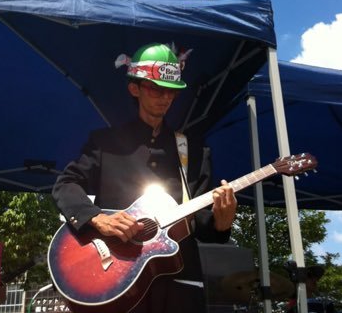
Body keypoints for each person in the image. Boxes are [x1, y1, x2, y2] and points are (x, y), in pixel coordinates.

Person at [52, 43, 237, 313]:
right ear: (134, 89)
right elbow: (65, 184)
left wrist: (222, 223)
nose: (165, 98)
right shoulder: (104, 143)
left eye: (171, 92)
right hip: (114, 280)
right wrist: (97, 218)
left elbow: (201, 224)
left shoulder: (193, 150)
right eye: (156, 89)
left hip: (179, 285)